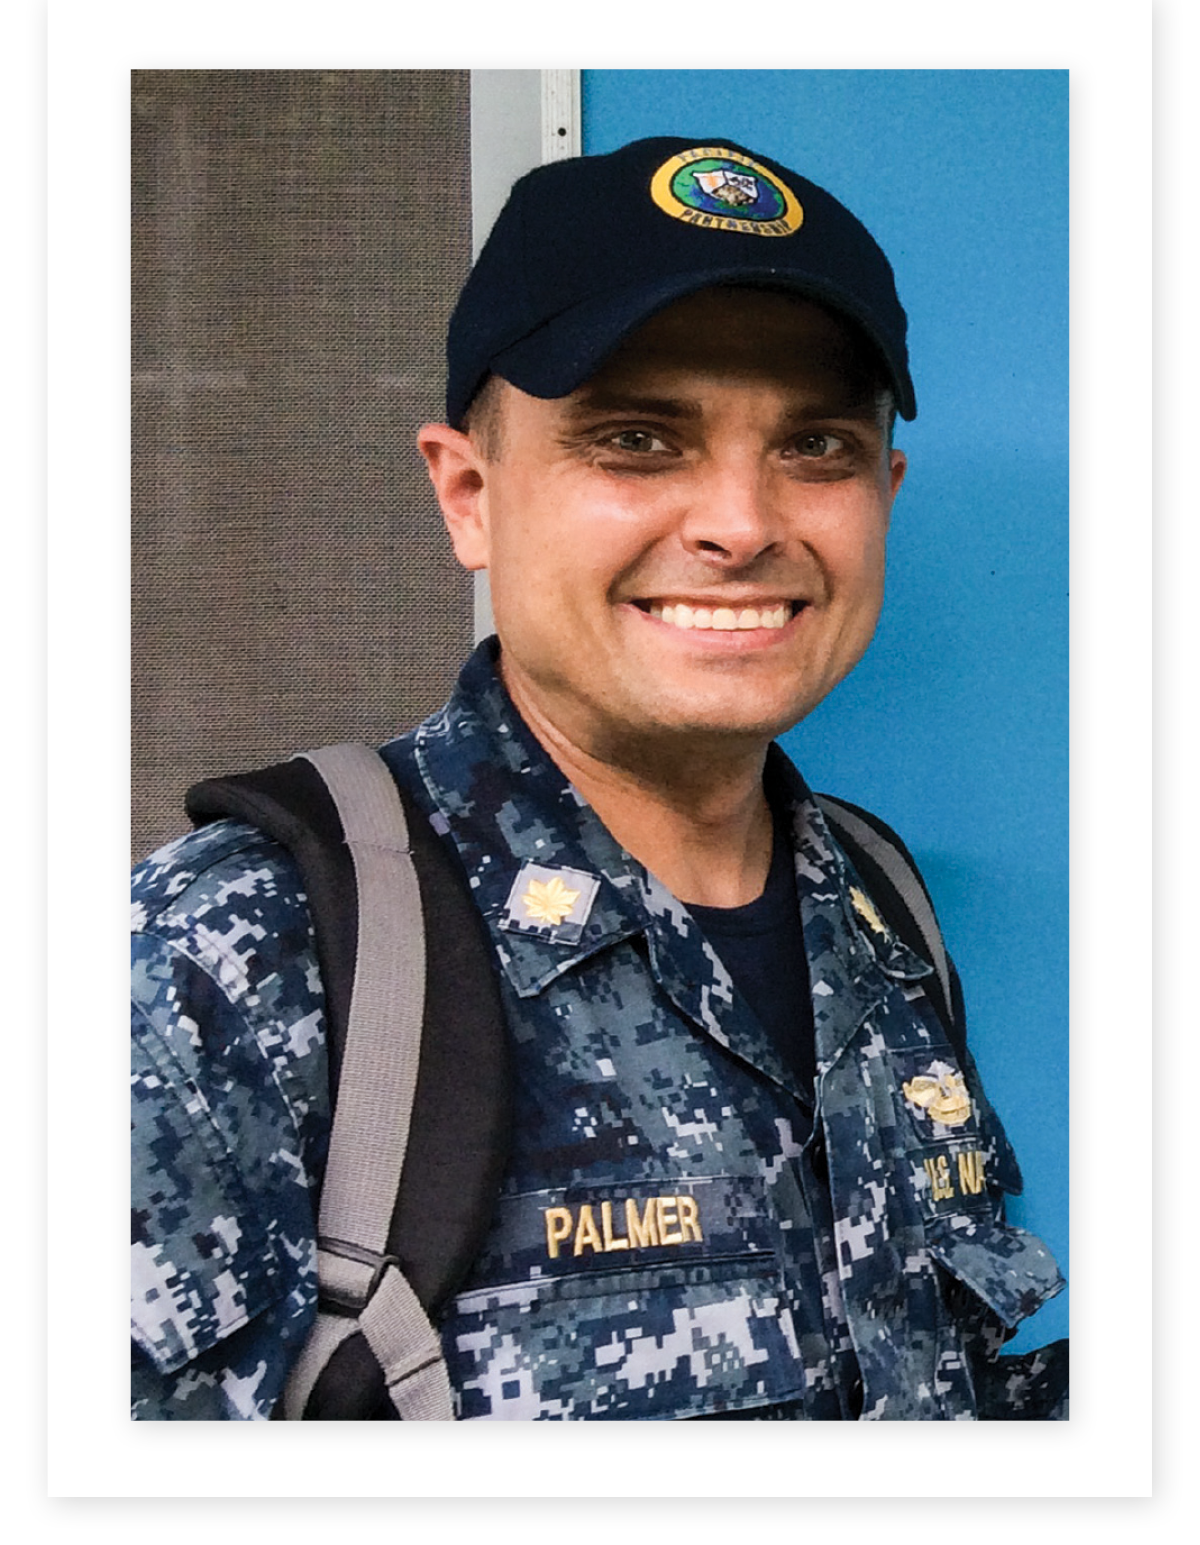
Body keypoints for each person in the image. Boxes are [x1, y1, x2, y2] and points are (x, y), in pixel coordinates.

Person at [131, 135, 1067, 1421]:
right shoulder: (231, 958)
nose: (743, 524)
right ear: (469, 495)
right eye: (637, 438)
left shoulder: (878, 907)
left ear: (884, 494)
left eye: (818, 448)